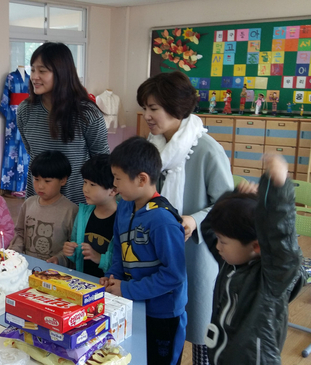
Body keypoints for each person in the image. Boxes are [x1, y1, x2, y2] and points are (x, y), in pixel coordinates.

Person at [138, 71, 233, 365]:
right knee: (161, 324)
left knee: (199, 328)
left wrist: (195, 218)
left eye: (153, 108)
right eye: (145, 108)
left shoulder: (206, 150)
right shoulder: (151, 146)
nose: (147, 116)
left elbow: (228, 206)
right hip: (156, 246)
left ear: (176, 108)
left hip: (195, 252)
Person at [202, 154, 306, 365]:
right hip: (221, 356)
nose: (217, 246)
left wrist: (278, 189)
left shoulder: (272, 278)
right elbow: (208, 229)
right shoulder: (230, 261)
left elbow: (280, 237)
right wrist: (232, 197)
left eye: (223, 241)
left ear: (256, 245)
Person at [103, 136, 187, 365]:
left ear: (142, 179)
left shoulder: (162, 220)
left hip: (162, 314)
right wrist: (114, 277)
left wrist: (127, 288)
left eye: (118, 179)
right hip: (133, 304)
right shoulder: (124, 207)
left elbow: (174, 275)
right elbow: (120, 248)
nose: (114, 185)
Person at [17, 42, 109, 205]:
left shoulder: (86, 113)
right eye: (32, 70)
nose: (34, 77)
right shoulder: (26, 110)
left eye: (42, 71)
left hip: (77, 204)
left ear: (62, 73)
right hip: (38, 203)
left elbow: (101, 161)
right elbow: (32, 151)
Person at [10, 150, 78, 265]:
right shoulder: (28, 203)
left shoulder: (71, 210)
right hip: (25, 266)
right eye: (36, 179)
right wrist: (15, 251)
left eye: (47, 181)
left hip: (54, 272)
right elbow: (19, 232)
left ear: (63, 180)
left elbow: (73, 246)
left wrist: (59, 258)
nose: (40, 186)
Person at [63, 155, 117, 278]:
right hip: (84, 281)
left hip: (109, 286)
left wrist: (99, 258)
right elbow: (77, 252)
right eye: (85, 182)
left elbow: (123, 263)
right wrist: (70, 251)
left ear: (113, 190)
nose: (85, 189)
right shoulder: (83, 214)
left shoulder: (122, 219)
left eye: (92, 185)